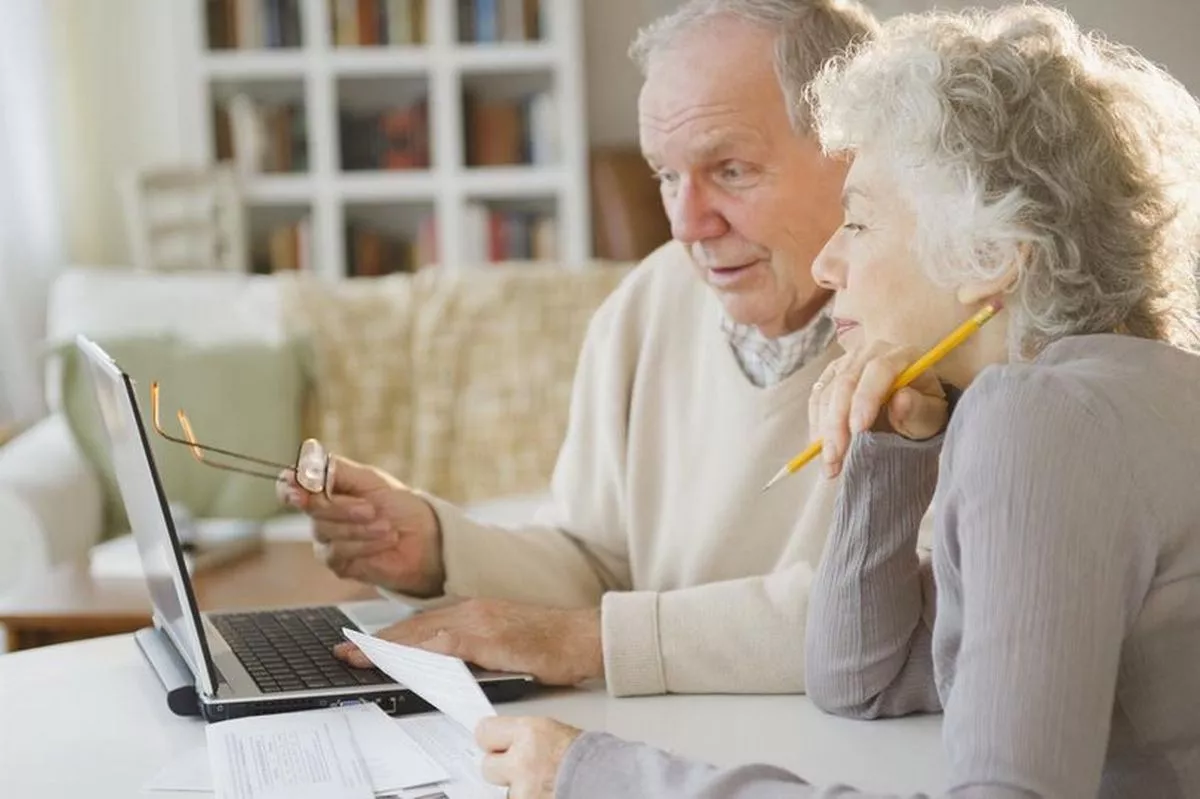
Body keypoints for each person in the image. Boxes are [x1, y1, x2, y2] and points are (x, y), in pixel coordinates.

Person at [471, 4, 1200, 797]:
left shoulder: (1040, 421)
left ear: (989, 256)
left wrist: (599, 773)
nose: (827, 264)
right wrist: (892, 449)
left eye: (857, 220)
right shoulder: (1135, 389)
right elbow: (860, 677)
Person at [280, 0, 885, 698]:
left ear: (855, 148)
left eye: (731, 170)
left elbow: (898, 612)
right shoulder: (647, 303)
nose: (688, 224)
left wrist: (587, 641)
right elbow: (594, 558)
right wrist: (434, 546)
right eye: (665, 175)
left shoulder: (944, 330)